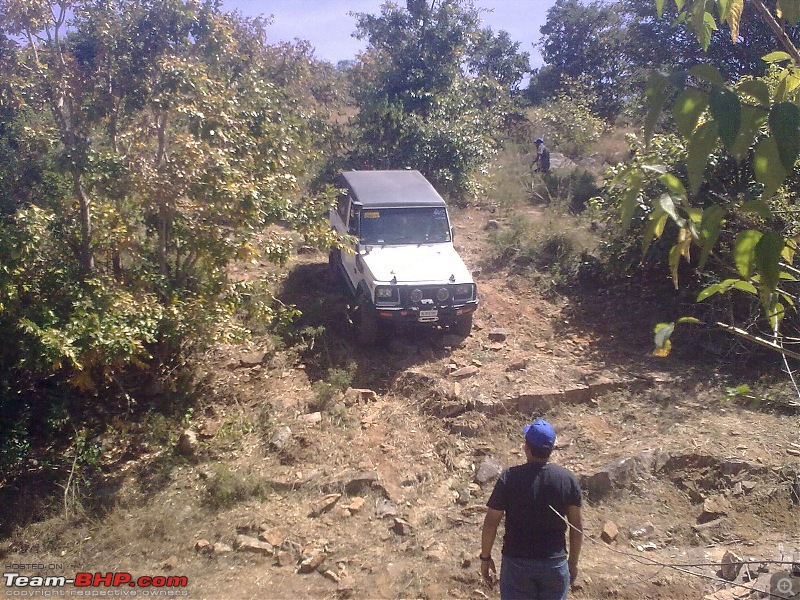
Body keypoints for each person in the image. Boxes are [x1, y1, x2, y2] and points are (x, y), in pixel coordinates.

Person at [480, 419, 583, 600]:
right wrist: (572, 563)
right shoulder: (567, 479)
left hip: (516, 564)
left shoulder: (509, 477)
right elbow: (576, 527)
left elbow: (491, 523)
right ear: (551, 449)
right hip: (554, 564)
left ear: (526, 448)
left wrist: (485, 558)